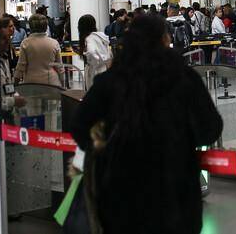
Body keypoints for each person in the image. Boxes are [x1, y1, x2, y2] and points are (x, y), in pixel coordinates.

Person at [69, 15, 223, 234]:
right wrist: (183, 139)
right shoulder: (184, 77)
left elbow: (79, 123)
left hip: (121, 194)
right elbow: (210, 128)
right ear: (163, 39)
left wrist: (101, 152)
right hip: (176, 194)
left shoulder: (112, 81)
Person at [13, 13, 63, 87]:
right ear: (46, 27)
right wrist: (62, 83)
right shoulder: (54, 43)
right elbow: (60, 67)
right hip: (52, 83)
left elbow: (21, 66)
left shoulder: (26, 43)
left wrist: (15, 84)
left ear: (30, 26)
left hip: (31, 83)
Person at [78, 14, 112, 90]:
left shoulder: (89, 38)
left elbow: (91, 52)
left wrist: (89, 60)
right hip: (104, 69)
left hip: (94, 71)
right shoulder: (100, 36)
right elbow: (108, 53)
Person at [0, 17, 25, 114]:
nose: (12, 28)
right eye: (10, 26)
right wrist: (14, 101)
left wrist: (15, 94)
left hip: (8, 105)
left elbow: (8, 84)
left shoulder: (5, 58)